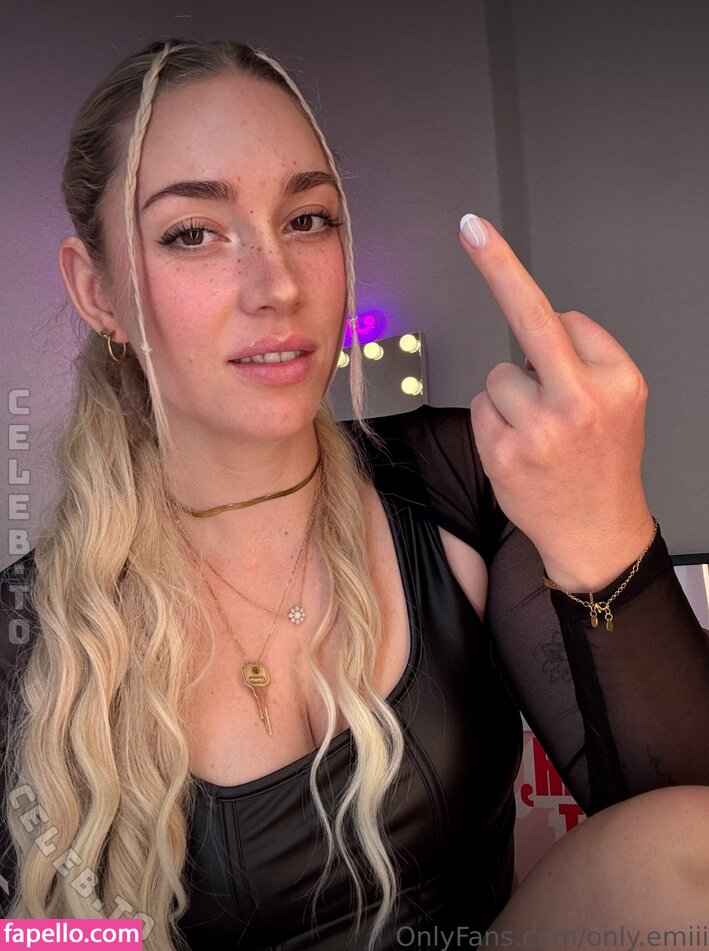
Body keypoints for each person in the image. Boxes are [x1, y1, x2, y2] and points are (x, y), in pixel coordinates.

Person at [0, 36, 707, 951]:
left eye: (308, 219)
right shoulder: (25, 637)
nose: (278, 285)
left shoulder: (459, 480)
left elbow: (681, 840)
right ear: (96, 288)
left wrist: (604, 530)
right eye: (192, 233)